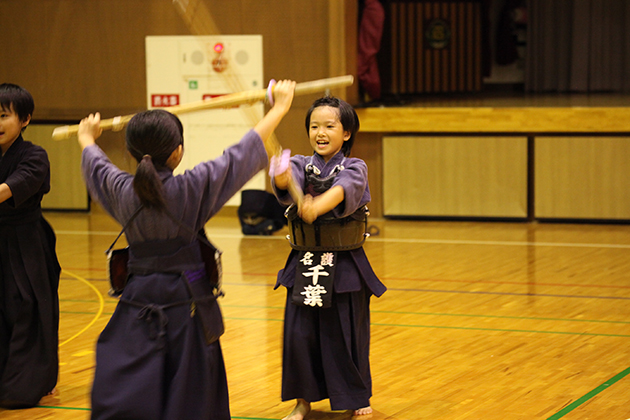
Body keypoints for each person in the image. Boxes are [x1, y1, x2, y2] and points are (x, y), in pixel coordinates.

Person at [77, 80, 296, 420]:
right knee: (191, 388)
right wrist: (280, 107)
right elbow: (239, 155)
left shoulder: (120, 190)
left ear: (132, 153)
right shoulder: (192, 187)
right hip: (187, 299)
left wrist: (86, 137)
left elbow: (95, 164)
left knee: (136, 380)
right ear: (177, 152)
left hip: (137, 298)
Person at [270, 96, 386, 419]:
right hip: (305, 264)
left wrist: (316, 206)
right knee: (299, 336)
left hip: (345, 267)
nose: (320, 132)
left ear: (346, 132)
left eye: (329, 126)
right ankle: (302, 402)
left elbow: (342, 190)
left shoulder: (354, 166)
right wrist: (280, 174)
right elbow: (284, 181)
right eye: (314, 126)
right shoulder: (301, 164)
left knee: (347, 334)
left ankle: (357, 395)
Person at [0, 83, 61, 408]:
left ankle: (33, 379)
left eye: (3, 116)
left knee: (28, 309)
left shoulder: (34, 155)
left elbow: (10, 189)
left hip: (27, 244)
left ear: (24, 119)